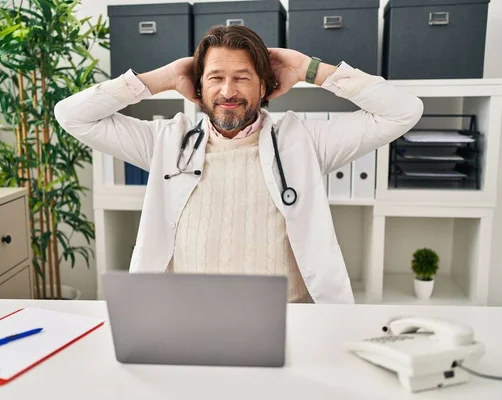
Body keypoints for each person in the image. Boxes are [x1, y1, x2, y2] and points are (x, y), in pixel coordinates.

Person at [54, 25, 423, 304]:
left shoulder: (304, 141)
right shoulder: (166, 140)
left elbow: (403, 111)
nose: (228, 91)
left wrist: (308, 69)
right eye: (215, 78)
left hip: (288, 318)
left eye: (242, 78)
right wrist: (163, 78)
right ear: (198, 86)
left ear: (265, 86)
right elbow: (72, 116)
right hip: (186, 321)